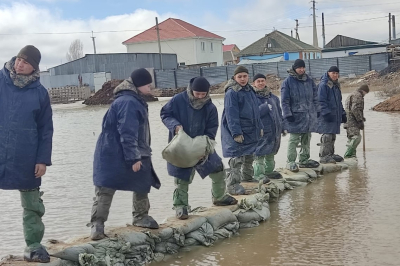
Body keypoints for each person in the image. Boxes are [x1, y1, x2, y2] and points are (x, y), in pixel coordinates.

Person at [89, 68, 161, 241]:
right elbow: (127, 132)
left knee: (141, 182)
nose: (150, 87)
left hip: (126, 149)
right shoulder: (129, 102)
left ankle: (139, 217)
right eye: (147, 84)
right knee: (106, 187)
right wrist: (133, 157)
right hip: (117, 151)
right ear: (138, 85)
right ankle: (98, 225)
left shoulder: (132, 99)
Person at [0, 45, 53, 263]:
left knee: (32, 204)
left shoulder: (40, 93)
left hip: (27, 155)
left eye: (26, 62)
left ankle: (33, 246)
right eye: (19, 60)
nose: (20, 64)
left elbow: (46, 129)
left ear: (34, 68)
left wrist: (42, 159)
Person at [160, 77, 237, 219]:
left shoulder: (210, 107)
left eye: (204, 94)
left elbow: (212, 128)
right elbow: (165, 113)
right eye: (197, 94)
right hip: (181, 145)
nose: (200, 97)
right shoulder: (178, 100)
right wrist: (175, 125)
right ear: (191, 90)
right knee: (182, 177)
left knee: (218, 169)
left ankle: (219, 197)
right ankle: (180, 207)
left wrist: (205, 148)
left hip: (201, 144)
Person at [221, 66, 264, 195]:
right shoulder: (232, 93)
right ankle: (232, 185)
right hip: (237, 130)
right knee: (237, 158)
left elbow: (256, 111)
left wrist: (260, 126)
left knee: (250, 154)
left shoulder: (250, 90)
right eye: (239, 77)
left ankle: (247, 177)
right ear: (234, 78)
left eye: (245, 76)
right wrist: (236, 133)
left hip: (251, 129)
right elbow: (231, 114)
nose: (242, 79)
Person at [281, 59, 320, 172]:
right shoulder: (288, 82)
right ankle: (290, 161)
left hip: (308, 116)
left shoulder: (309, 80)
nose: (302, 70)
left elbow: (315, 97)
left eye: (303, 67)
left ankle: (304, 160)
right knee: (294, 139)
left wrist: (317, 110)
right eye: (299, 68)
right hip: (295, 116)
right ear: (295, 68)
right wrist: (287, 114)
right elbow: (284, 100)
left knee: (306, 138)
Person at [252, 74, 285, 180]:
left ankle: (269, 171)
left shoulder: (273, 98)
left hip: (274, 131)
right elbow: (252, 114)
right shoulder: (251, 98)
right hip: (261, 131)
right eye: (258, 81)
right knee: (260, 153)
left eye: (262, 81)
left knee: (271, 152)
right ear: (254, 83)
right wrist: (264, 107)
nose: (261, 83)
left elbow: (279, 113)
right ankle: (258, 174)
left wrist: (283, 126)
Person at [316, 66, 346, 164]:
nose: (335, 75)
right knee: (327, 135)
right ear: (328, 73)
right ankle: (324, 156)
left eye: (337, 73)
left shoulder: (336, 85)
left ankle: (331, 154)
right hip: (326, 115)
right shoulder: (324, 85)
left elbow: (339, 101)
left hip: (335, 114)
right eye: (333, 73)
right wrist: (326, 113)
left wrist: (343, 114)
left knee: (332, 135)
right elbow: (321, 101)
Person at [344, 84, 369, 158]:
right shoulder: (358, 96)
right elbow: (355, 109)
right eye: (365, 93)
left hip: (347, 119)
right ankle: (348, 155)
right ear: (363, 91)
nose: (365, 95)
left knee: (351, 138)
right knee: (356, 137)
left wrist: (361, 117)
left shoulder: (352, 94)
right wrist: (360, 120)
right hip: (352, 121)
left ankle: (352, 156)